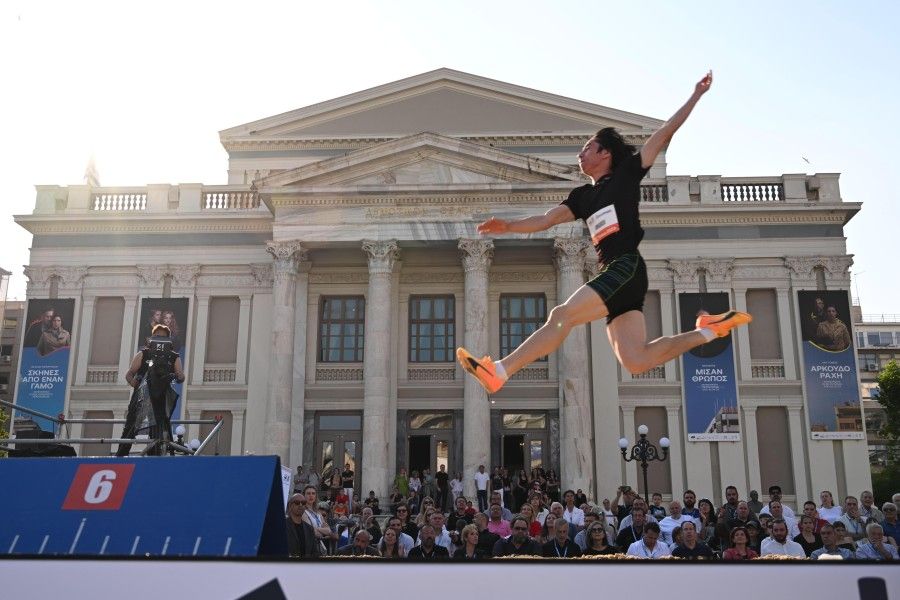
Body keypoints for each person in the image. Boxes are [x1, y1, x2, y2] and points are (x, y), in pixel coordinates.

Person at [456, 72, 751, 394]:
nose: (581, 154)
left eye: (588, 147)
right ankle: (708, 331)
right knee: (637, 361)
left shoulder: (627, 174)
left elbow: (665, 133)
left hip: (624, 266)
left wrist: (695, 95)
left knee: (562, 315)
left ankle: (499, 370)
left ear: (605, 153)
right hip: (619, 278)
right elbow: (545, 220)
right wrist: (508, 226)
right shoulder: (583, 196)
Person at [115, 324, 185, 457]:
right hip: (142, 396)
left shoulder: (173, 356)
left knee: (159, 429)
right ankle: (121, 456)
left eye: (163, 337)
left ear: (169, 339)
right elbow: (129, 373)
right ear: (152, 337)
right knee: (131, 425)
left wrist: (180, 376)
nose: (160, 339)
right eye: (157, 336)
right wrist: (134, 382)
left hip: (161, 396)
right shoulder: (143, 353)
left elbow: (180, 375)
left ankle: (155, 458)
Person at [285, 494, 321, 558]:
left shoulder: (309, 529)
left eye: (303, 503)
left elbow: (315, 552)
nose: (300, 505)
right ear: (290, 505)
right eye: (297, 502)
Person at [300, 485, 334, 554]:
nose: (311, 496)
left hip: (319, 547)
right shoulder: (303, 512)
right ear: (304, 495)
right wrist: (322, 532)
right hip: (308, 548)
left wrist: (316, 529)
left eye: (313, 493)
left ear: (316, 496)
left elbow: (329, 531)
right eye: (308, 493)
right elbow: (312, 533)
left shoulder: (318, 512)